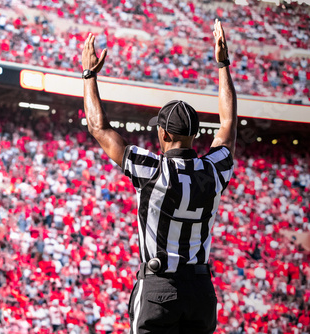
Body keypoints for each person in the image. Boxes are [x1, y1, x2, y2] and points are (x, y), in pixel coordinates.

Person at [81, 19, 237, 334]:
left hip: (159, 288)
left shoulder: (151, 169)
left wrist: (88, 75)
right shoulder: (214, 169)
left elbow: (99, 128)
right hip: (200, 291)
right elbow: (229, 123)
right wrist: (223, 65)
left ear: (163, 133)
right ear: (194, 134)